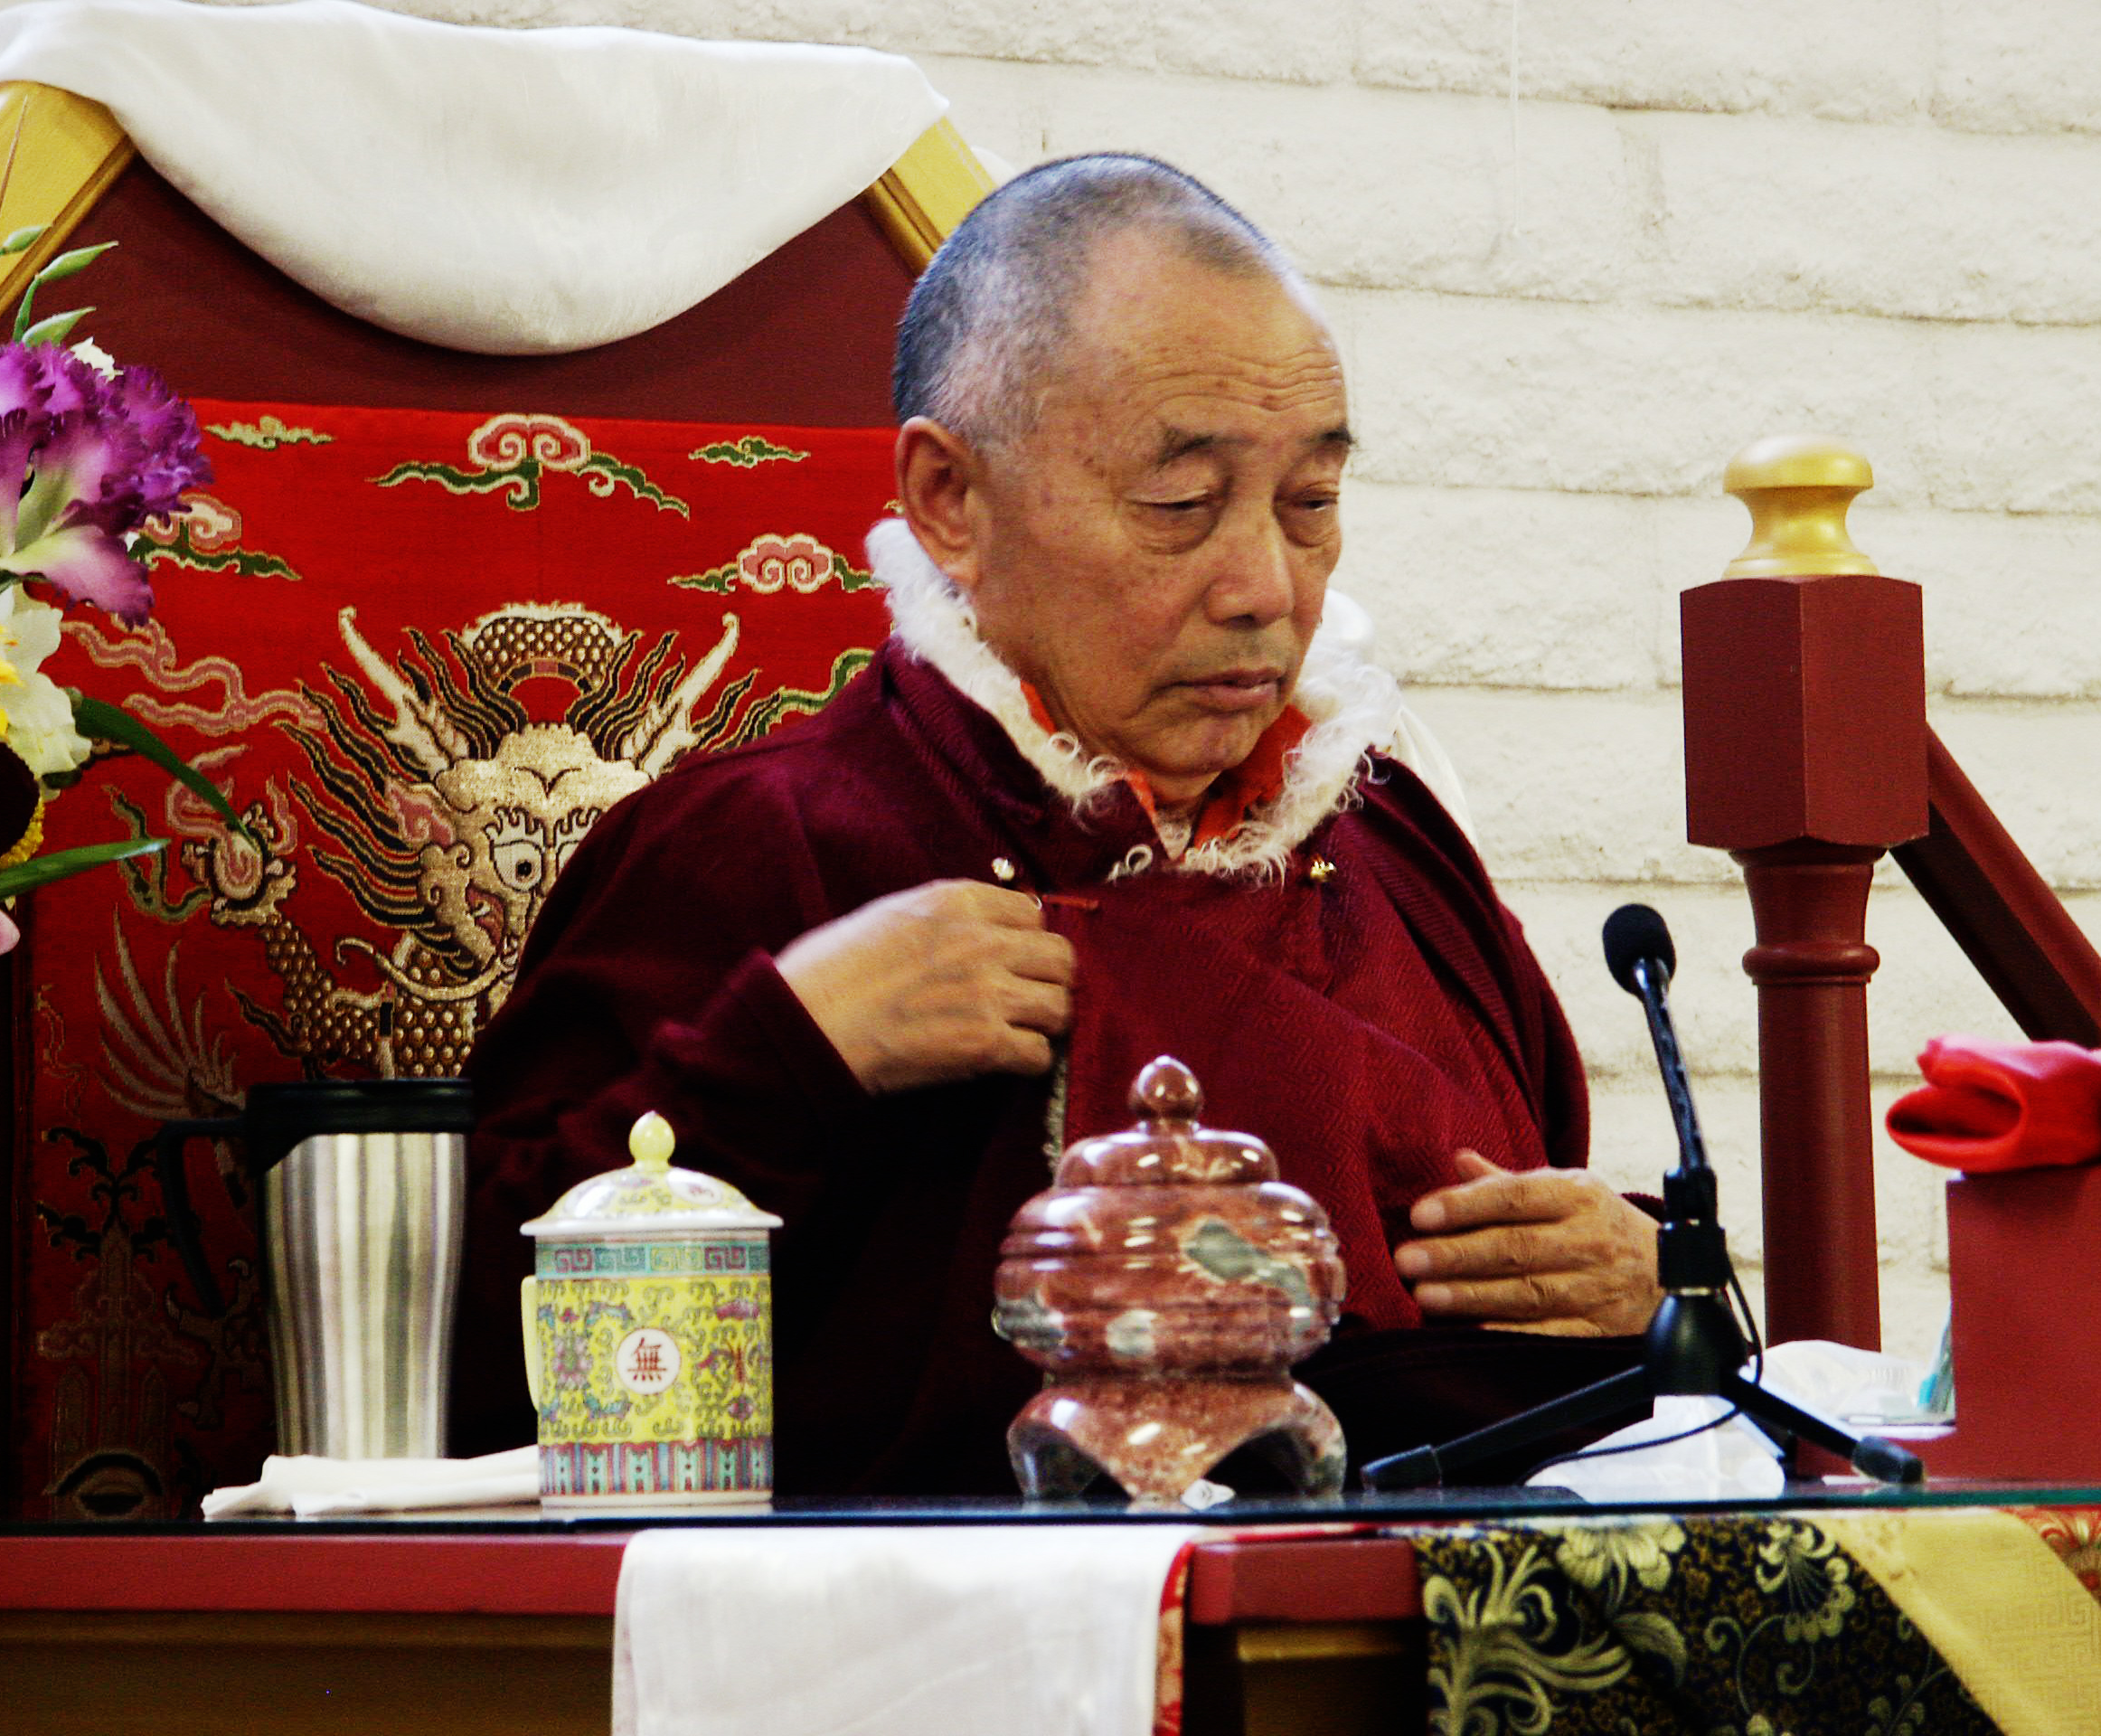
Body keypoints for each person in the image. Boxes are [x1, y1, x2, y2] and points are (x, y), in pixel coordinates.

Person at [458, 154, 1663, 1492]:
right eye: (1181, 506)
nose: (1268, 585)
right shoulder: (771, 847)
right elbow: (461, 1386)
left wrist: (1645, 1279)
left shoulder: (1392, 844)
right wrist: (788, 1051)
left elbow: (1555, 1338)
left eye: (1311, 502)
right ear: (949, 504)